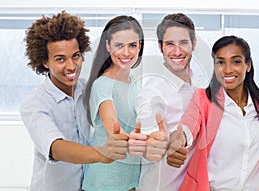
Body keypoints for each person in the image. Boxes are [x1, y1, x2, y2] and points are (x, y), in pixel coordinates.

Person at [20, 11, 129, 191]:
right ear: (45, 61)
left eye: (76, 56)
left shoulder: (87, 89)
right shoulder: (35, 104)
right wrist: (100, 153)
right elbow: (56, 147)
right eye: (60, 59)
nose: (71, 66)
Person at [169, 35, 259, 191]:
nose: (228, 69)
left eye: (236, 61)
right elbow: (189, 125)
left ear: (248, 65)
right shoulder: (203, 99)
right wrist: (177, 140)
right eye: (221, 62)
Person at [129, 13, 200, 191]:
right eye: (170, 44)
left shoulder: (198, 84)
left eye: (183, 42)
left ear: (194, 43)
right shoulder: (152, 93)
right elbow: (149, 138)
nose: (177, 51)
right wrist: (154, 144)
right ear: (160, 47)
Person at [82, 15, 147, 191]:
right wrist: (151, 142)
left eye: (132, 45)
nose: (126, 53)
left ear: (139, 46)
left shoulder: (134, 82)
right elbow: (114, 129)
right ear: (108, 45)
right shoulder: (102, 85)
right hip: (104, 181)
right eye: (119, 45)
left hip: (129, 180)